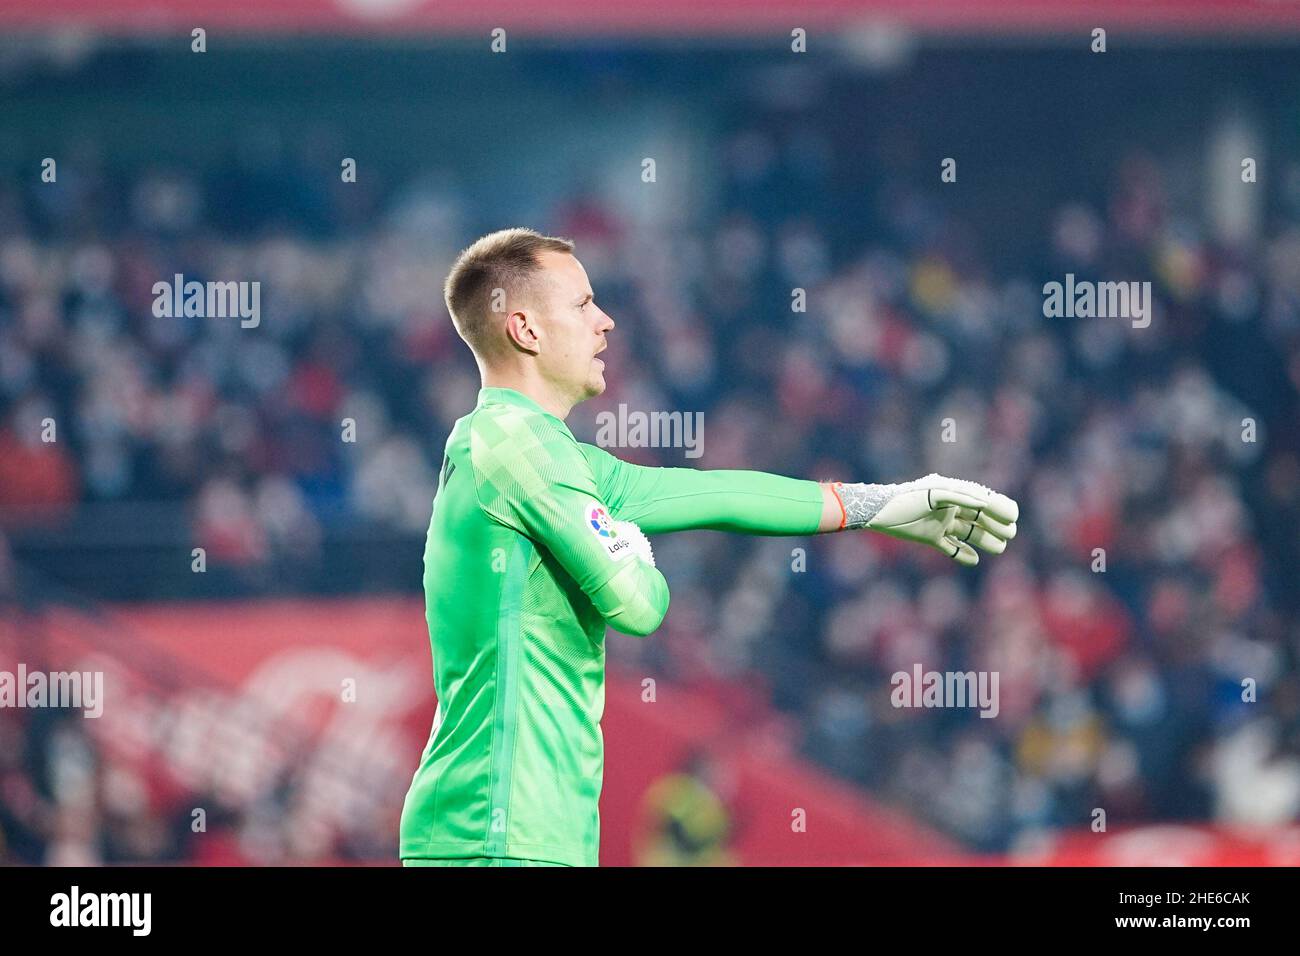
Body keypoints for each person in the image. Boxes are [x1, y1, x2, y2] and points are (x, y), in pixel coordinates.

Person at [399, 228, 1019, 867]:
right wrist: (635, 549)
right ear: (526, 330)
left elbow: (715, 493)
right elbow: (639, 606)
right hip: (499, 837)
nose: (606, 322)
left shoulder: (530, 450)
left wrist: (884, 506)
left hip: (507, 833)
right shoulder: (520, 451)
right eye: (583, 305)